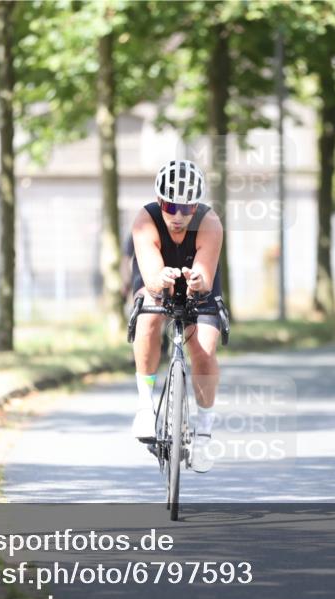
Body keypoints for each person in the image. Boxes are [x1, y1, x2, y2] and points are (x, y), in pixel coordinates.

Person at [129, 159, 224, 473]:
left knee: (204, 350)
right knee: (149, 315)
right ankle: (145, 406)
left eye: (187, 208)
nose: (179, 216)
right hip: (157, 276)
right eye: (171, 207)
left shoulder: (209, 222)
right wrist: (161, 281)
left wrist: (197, 281)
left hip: (198, 282)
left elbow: (205, 275)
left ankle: (205, 434)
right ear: (160, 202)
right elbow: (151, 276)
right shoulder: (145, 221)